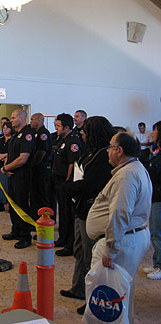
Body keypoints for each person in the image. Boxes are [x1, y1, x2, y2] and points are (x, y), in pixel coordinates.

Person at [86, 132, 152, 324]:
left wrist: (110, 248)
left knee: (108, 294)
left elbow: (120, 213)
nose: (107, 150)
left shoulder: (126, 176)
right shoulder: (135, 168)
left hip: (121, 242)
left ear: (119, 151)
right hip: (132, 237)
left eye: (110, 146)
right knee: (123, 288)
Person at [59, 116, 116, 314]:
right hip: (81, 208)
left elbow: (91, 184)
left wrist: (68, 189)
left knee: (90, 256)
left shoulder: (102, 156)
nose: (81, 134)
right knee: (80, 251)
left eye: (85, 132)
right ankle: (78, 288)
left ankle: (94, 298)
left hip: (92, 211)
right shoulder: (91, 152)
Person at [1, 109, 35, 249]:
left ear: (22, 118)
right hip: (12, 175)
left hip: (22, 175)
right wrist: (6, 167)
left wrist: (7, 168)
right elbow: (10, 154)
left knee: (21, 206)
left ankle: (25, 236)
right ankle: (16, 230)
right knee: (13, 205)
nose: (12, 120)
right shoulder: (15, 135)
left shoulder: (27, 135)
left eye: (14, 118)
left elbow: (23, 158)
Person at [52, 113, 82, 257]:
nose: (55, 128)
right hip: (57, 180)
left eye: (58, 126)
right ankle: (62, 238)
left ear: (67, 127)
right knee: (62, 213)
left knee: (68, 214)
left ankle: (69, 244)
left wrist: (67, 183)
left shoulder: (73, 142)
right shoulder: (61, 139)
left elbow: (72, 164)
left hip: (65, 182)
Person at [144, 121, 161, 280]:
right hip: (154, 195)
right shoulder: (155, 150)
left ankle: (159, 266)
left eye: (154, 130)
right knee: (154, 232)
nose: (152, 133)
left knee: (157, 232)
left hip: (159, 196)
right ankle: (156, 263)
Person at [30, 113, 52, 217]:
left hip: (41, 169)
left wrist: (32, 164)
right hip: (36, 169)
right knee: (35, 195)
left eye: (32, 119)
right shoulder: (36, 133)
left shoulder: (43, 134)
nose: (30, 122)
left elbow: (41, 152)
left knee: (41, 195)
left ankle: (45, 219)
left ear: (39, 120)